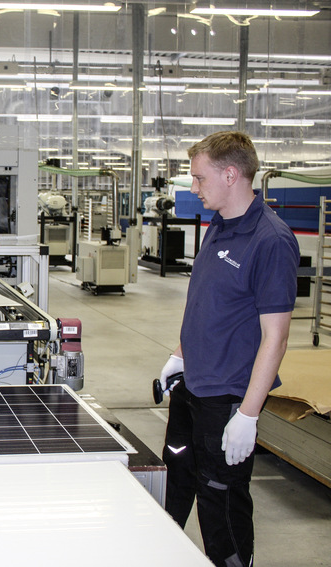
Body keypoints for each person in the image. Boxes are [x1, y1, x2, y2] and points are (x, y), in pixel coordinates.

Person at [158, 131, 299, 566]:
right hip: (193, 386)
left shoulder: (270, 240)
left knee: (219, 503)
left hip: (227, 398)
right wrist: (180, 354)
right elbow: (206, 301)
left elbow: (276, 337)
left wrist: (248, 416)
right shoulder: (218, 223)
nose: (194, 188)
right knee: (176, 479)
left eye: (200, 178)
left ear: (231, 174)